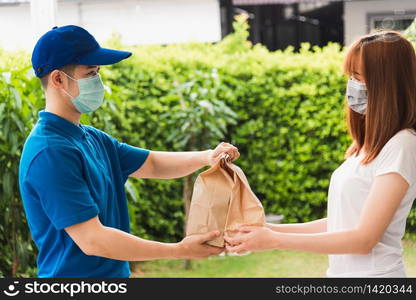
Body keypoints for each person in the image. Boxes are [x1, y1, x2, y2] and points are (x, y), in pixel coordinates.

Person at [19, 25, 239, 278]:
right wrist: (178, 250)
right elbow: (93, 240)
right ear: (58, 79)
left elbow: (152, 164)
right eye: (90, 73)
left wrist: (206, 157)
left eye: (98, 72)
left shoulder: (91, 138)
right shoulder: (50, 152)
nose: (98, 81)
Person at [225, 30, 416, 277]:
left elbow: (363, 240)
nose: (352, 86)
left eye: (359, 77)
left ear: (386, 84)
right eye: (351, 77)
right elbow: (340, 224)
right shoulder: (366, 147)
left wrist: (274, 240)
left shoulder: (402, 145)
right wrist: (265, 230)